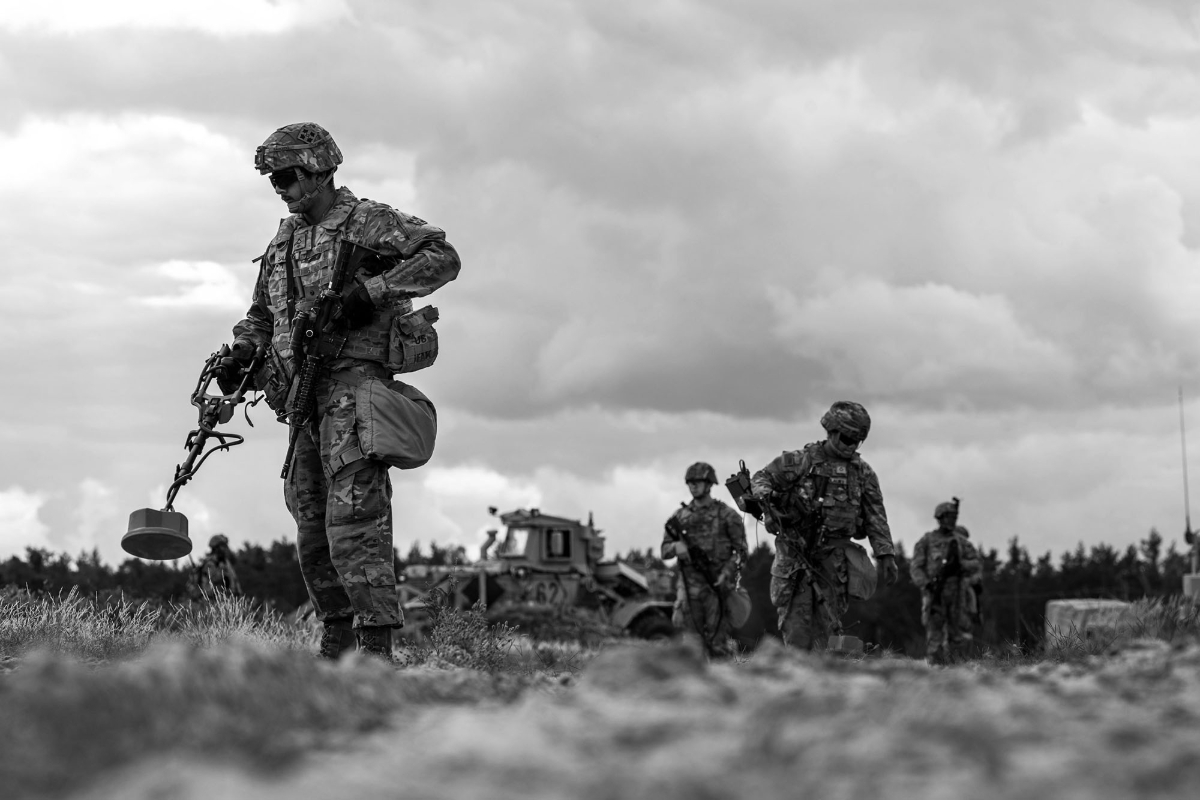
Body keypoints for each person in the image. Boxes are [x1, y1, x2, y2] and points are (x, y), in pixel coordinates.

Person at [225, 123, 461, 660]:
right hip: (303, 401)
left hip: (355, 398)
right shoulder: (283, 239)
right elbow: (261, 314)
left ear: (319, 170)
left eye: (287, 176)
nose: (279, 188)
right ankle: (334, 641)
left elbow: (442, 257)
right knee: (310, 524)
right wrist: (244, 350)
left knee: (355, 525)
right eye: (273, 180)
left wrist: (372, 291)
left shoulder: (368, 221)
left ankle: (374, 651)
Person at [749, 401, 898, 650]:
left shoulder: (863, 473)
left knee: (827, 630)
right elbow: (761, 478)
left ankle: (822, 679)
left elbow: (875, 516)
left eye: (857, 441)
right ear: (831, 431)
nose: (851, 445)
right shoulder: (799, 461)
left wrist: (886, 554)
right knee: (796, 629)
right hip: (795, 557)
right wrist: (769, 500)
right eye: (847, 438)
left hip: (833, 563)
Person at [662, 462, 748, 657]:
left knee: (719, 646)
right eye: (690, 482)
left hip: (716, 589)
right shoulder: (679, 517)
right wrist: (676, 547)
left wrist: (726, 573)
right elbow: (664, 550)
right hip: (689, 589)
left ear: (710, 484)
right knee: (691, 647)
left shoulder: (727, 515)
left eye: (698, 482)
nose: (693, 486)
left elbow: (742, 552)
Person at [910, 500, 982, 664]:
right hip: (935, 592)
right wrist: (926, 584)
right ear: (940, 518)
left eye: (954, 517)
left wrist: (961, 566)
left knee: (958, 633)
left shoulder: (961, 542)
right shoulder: (927, 541)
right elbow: (916, 567)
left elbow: (976, 563)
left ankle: (958, 666)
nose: (952, 521)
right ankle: (936, 665)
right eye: (949, 517)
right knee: (935, 631)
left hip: (958, 592)